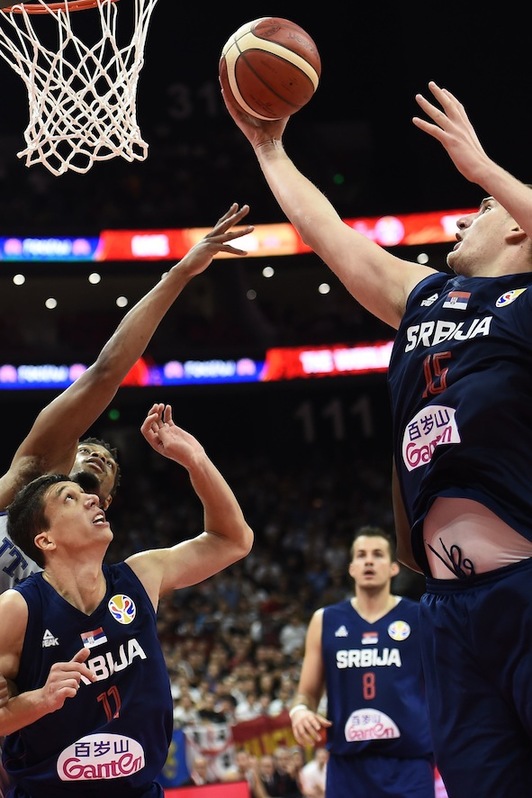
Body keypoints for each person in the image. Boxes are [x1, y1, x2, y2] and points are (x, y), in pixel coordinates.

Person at [221, 78, 532, 797]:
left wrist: (486, 170)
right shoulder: (424, 295)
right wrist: (269, 150)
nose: (460, 225)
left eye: (478, 212)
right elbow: (331, 236)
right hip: (448, 609)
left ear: (519, 227)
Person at [0, 401, 254, 797]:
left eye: (94, 496)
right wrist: (39, 700)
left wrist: (195, 460)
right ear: (44, 539)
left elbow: (233, 540)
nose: (91, 499)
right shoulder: (16, 610)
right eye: (70, 497)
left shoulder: (141, 575)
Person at [0, 201, 253, 591]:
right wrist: (180, 273)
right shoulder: (24, 485)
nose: (100, 457)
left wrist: (196, 460)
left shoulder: (104, 586)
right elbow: (104, 375)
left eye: (109, 467)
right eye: (88, 451)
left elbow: (231, 541)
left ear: (104, 504)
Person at [288, 526, 434, 798]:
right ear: (351, 568)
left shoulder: (419, 617)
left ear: (393, 568)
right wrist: (300, 712)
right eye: (361, 555)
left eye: (378, 554)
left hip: (409, 762)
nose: (368, 560)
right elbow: (306, 694)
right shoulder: (325, 620)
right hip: (347, 766)